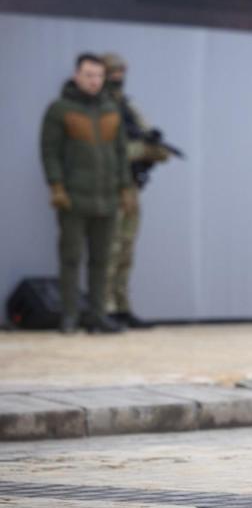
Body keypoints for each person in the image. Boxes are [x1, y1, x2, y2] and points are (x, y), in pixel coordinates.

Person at [40, 53, 132, 334]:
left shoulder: (111, 109)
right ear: (77, 76)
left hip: (106, 198)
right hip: (74, 197)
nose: (94, 81)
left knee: (102, 260)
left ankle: (97, 315)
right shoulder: (60, 109)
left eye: (98, 76)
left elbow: (120, 152)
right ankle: (70, 316)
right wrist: (56, 186)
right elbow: (49, 151)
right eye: (89, 75)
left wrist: (125, 187)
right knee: (71, 258)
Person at [101, 53, 170, 327]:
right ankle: (104, 306)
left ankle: (120, 306)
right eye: (113, 72)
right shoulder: (102, 108)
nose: (118, 76)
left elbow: (155, 145)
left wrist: (149, 142)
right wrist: (141, 149)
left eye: (121, 71)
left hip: (129, 186)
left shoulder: (125, 105)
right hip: (109, 186)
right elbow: (107, 150)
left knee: (126, 249)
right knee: (111, 247)